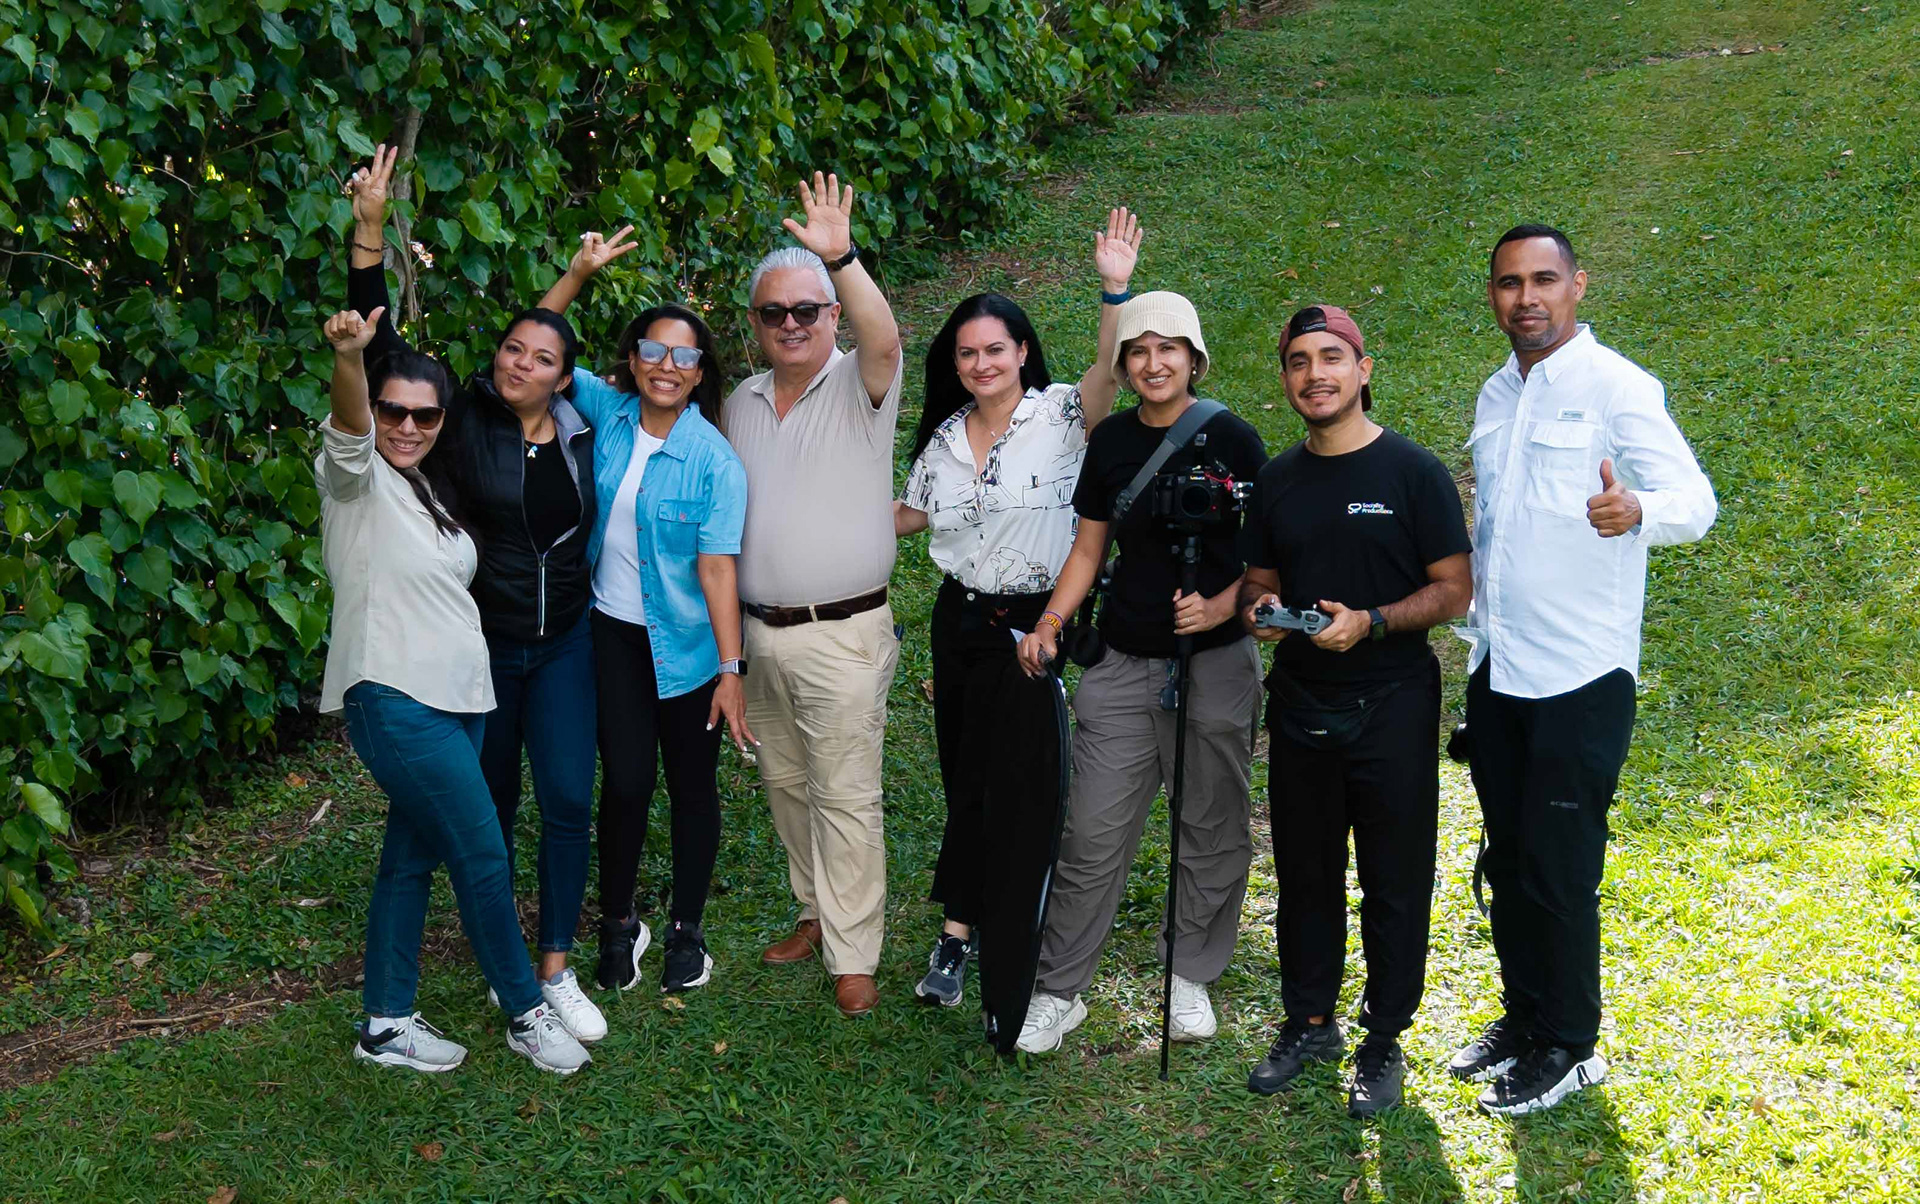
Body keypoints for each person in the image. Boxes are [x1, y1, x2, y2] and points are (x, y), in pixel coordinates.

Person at [1450, 225, 1716, 1115]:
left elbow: (1697, 501)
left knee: (1559, 869)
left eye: (1544, 280)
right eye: (1509, 283)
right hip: (1500, 665)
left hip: (1581, 674)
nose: (1526, 298)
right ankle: (1524, 1018)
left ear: (1577, 286)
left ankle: (1569, 1046)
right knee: (1508, 856)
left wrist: (1636, 508)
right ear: (1494, 295)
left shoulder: (1617, 386)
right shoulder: (1497, 390)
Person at [346, 146, 605, 1044]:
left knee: (557, 802)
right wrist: (369, 235)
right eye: (510, 351)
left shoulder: (575, 429)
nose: (520, 363)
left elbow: (545, 341)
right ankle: (511, 984)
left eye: (541, 359)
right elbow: (380, 354)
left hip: (546, 651)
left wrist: (575, 278)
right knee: (481, 823)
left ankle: (545, 971)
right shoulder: (446, 429)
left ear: (564, 377)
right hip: (466, 661)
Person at [316, 306, 590, 1076]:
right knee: (481, 855)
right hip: (396, 696)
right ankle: (527, 1014)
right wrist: (350, 358)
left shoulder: (428, 490)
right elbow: (349, 431)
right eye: (392, 411)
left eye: (424, 414)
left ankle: (385, 1025)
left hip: (459, 700)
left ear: (443, 419)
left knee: (410, 859)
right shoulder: (357, 480)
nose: (407, 426)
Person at [894, 208, 1142, 1008]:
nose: (981, 364)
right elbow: (907, 516)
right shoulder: (943, 439)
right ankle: (957, 933)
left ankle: (1012, 929)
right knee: (965, 774)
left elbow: (1109, 373)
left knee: (1022, 782)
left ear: (1023, 352)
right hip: (960, 621)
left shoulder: (1064, 413)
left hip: (1037, 619)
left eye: (995, 349)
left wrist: (1114, 291)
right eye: (967, 353)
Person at [1013, 292, 1267, 1054]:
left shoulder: (1233, 439)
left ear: (1194, 358)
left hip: (1216, 662)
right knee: (1092, 831)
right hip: (1123, 660)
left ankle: (1189, 971)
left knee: (1211, 823)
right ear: (1124, 365)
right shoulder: (1115, 442)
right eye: (1139, 351)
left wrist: (1222, 606)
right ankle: (1058, 989)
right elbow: (1089, 548)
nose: (1154, 364)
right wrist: (1051, 622)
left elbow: (1273, 556)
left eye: (1169, 349)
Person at [1234, 305, 1472, 1118]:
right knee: (1305, 873)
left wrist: (1370, 621)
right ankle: (1308, 1023)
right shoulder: (1276, 480)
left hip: (1394, 702)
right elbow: (1259, 581)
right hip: (1302, 702)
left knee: (1394, 879)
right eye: (1299, 361)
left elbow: (1453, 590)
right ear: (1286, 379)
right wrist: (1260, 612)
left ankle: (1383, 1038)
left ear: (1363, 370)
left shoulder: (1413, 472)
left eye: (1331, 357)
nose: (1315, 375)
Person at [538, 247, 754, 995]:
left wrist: (730, 671)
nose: (667, 366)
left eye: (684, 357)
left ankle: (687, 930)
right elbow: (538, 344)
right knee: (626, 783)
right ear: (632, 360)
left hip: (689, 648)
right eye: (654, 351)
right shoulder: (609, 411)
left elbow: (718, 571)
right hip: (611, 635)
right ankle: (619, 922)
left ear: (698, 373)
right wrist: (577, 275)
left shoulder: (716, 462)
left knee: (693, 788)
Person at [723, 174, 905, 1018]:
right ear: (755, 323)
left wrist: (842, 257)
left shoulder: (862, 382)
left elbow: (887, 338)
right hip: (760, 634)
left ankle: (854, 951)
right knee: (788, 784)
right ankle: (814, 912)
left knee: (845, 793)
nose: (791, 323)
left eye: (808, 309)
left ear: (833, 314)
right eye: (774, 313)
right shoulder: (740, 402)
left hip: (844, 633)